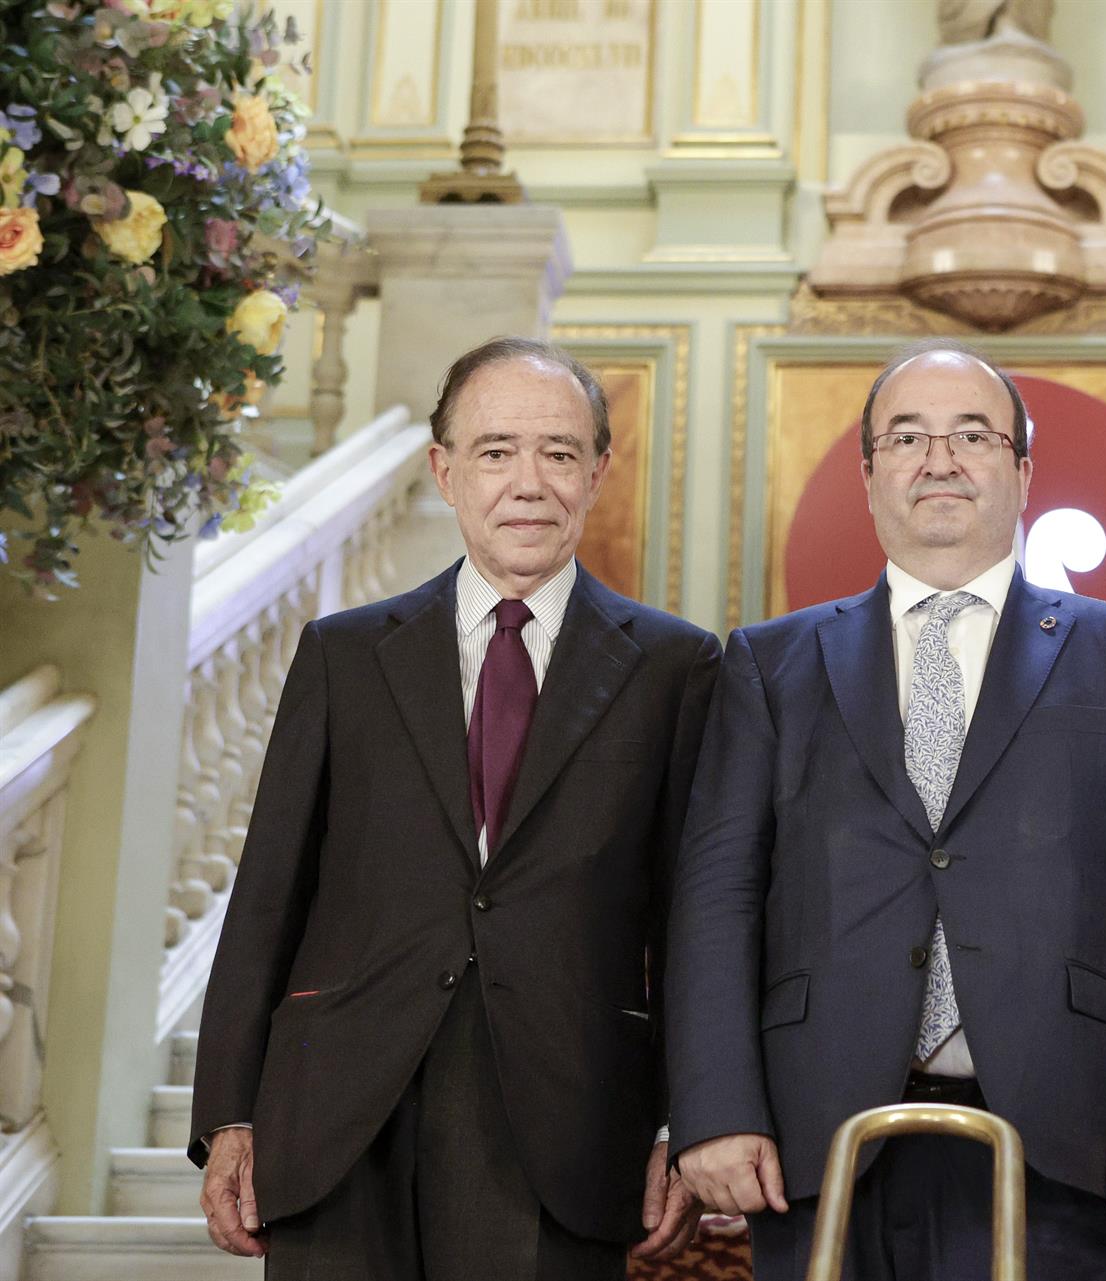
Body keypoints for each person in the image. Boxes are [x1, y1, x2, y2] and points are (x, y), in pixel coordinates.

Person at [666, 341, 1106, 1280]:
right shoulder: (769, 663)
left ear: (1021, 468)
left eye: (973, 433)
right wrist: (716, 1109)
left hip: (1056, 1132)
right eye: (908, 436)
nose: (940, 458)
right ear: (870, 471)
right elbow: (717, 897)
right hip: (814, 1137)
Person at [189, 336, 720, 1279]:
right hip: (339, 1116)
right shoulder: (344, 655)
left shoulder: (676, 668)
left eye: (559, 452)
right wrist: (229, 1110)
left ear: (598, 472)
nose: (528, 481)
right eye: (494, 450)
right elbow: (269, 891)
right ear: (443, 471)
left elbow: (695, 919)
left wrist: (688, 1117)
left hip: (565, 1118)